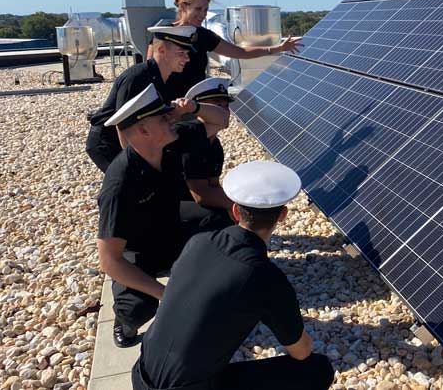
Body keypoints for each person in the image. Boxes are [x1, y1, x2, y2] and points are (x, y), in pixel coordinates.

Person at [132, 161, 335, 390]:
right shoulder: (265, 276)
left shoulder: (198, 242)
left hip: (141, 375)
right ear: (283, 216)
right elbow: (301, 351)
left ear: (236, 211)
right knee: (317, 368)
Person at [96, 83, 229, 348]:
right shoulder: (120, 184)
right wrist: (168, 295)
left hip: (170, 229)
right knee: (139, 307)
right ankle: (126, 322)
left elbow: (221, 120)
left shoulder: (171, 141)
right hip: (137, 254)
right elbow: (109, 261)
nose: (171, 118)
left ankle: (203, 289)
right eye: (162, 116)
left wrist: (193, 106)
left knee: (224, 224)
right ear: (144, 130)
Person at [147, 0, 303, 97]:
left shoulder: (204, 36)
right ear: (183, 7)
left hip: (194, 102)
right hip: (165, 101)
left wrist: (278, 48)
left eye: (205, 10)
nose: (203, 14)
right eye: (198, 9)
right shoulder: (163, 32)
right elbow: (149, 67)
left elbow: (240, 52)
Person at [86, 25, 196, 172]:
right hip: (108, 141)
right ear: (161, 50)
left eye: (187, 53)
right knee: (129, 185)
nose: (187, 58)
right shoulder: (137, 77)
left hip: (136, 138)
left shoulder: (167, 77)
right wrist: (135, 162)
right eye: (181, 53)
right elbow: (123, 124)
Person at [180, 77, 235, 212]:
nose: (224, 112)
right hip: (168, 204)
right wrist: (238, 207)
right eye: (217, 106)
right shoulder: (190, 138)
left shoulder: (214, 144)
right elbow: (201, 195)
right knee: (219, 217)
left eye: (226, 106)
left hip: (189, 203)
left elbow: (214, 185)